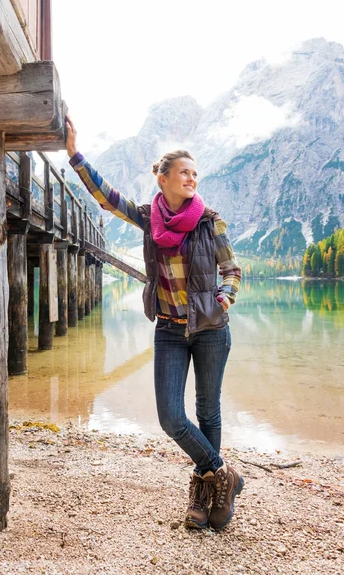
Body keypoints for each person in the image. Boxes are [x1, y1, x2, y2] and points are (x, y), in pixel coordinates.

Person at [65, 117, 244, 530]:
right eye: (184, 172)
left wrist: (222, 299)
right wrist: (75, 155)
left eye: (196, 173)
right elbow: (108, 199)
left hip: (211, 329)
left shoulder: (209, 221)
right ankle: (223, 474)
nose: (192, 178)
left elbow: (232, 270)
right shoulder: (149, 218)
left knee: (208, 411)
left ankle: (205, 496)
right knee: (170, 417)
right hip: (168, 329)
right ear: (162, 178)